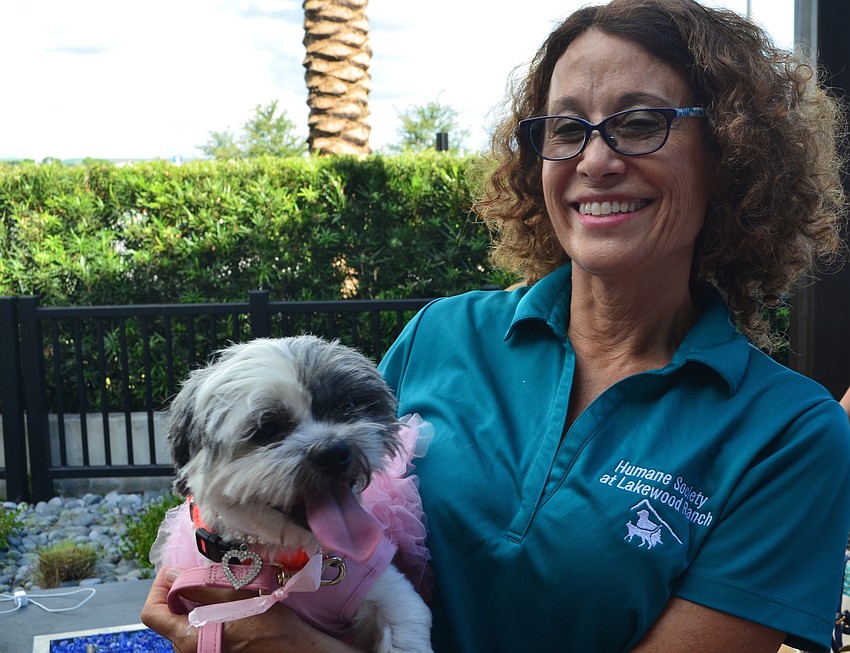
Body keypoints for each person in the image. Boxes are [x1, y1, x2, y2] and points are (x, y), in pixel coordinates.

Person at [142, 0, 850, 650]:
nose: (595, 161)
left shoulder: (788, 434)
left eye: (640, 122)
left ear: (732, 154)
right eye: (565, 129)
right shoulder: (441, 335)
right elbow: (327, 565)